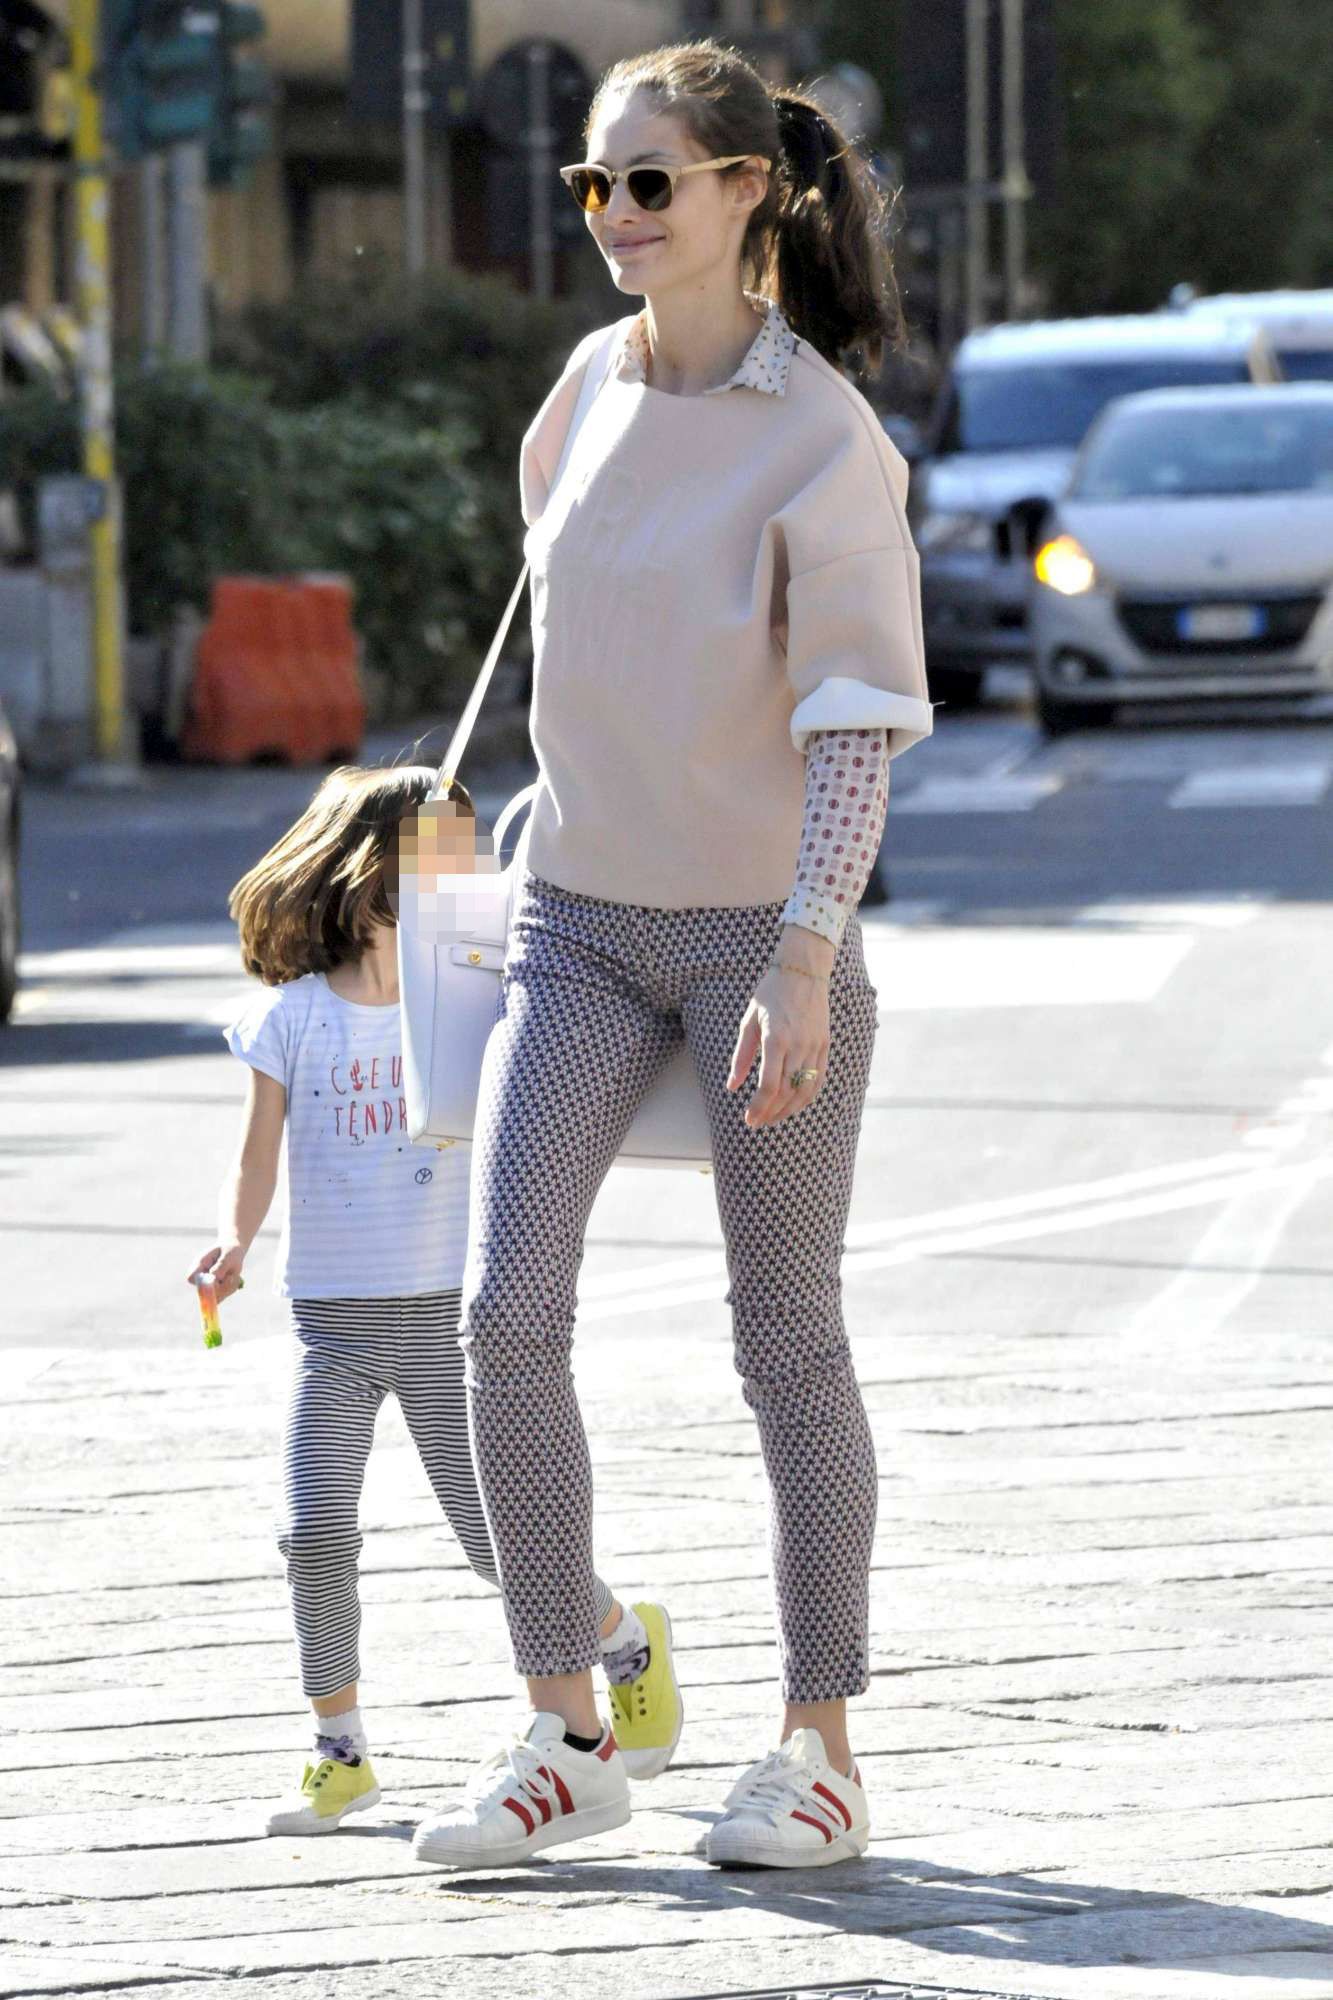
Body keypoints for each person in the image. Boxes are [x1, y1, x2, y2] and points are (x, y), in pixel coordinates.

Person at [412, 38, 932, 1875]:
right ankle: (570, 1729)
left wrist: (804, 955)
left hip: (752, 940)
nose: (614, 214)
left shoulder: (823, 438)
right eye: (593, 184)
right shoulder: (582, 387)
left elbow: (855, 727)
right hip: (574, 921)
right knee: (502, 1314)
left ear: (742, 191)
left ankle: (819, 1752)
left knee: (784, 1339)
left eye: (648, 181)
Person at [190, 764, 683, 1838]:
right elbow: (256, 1154)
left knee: (497, 1544)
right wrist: (234, 1242)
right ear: (379, 865)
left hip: (450, 1325)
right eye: (449, 856)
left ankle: (622, 1637)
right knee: (309, 1533)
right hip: (332, 1324)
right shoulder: (288, 1018)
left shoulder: (480, 999)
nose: (471, 878)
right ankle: (339, 1752)